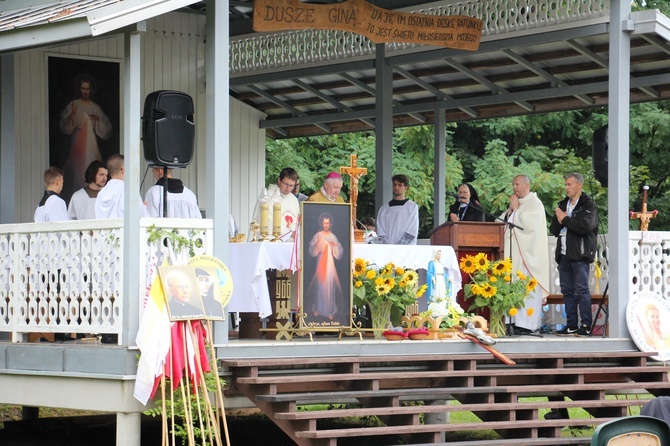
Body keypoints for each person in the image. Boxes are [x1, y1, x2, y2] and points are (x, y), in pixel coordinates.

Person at [550, 172, 598, 337]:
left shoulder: (587, 205)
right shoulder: (563, 204)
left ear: (579, 185)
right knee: (567, 290)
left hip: (579, 254)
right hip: (563, 253)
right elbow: (554, 230)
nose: (567, 188)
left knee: (582, 290)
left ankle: (585, 324)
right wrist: (559, 219)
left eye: (569, 184)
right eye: (566, 184)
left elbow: (584, 226)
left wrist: (565, 220)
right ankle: (571, 324)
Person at [501, 174, 551, 333]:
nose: (514, 187)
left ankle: (527, 325)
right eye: (513, 184)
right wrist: (511, 211)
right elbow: (502, 222)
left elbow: (529, 226)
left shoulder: (535, 204)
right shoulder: (518, 205)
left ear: (526, 186)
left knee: (527, 289)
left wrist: (515, 211)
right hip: (512, 256)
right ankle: (511, 322)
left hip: (528, 258)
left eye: (517, 184)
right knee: (511, 286)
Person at [59, 74, 112, 200]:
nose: (85, 91)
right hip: (77, 144)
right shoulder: (74, 104)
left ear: (91, 90)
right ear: (79, 89)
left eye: (88, 89)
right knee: (76, 171)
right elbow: (64, 123)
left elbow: (106, 126)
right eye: (83, 88)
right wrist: (72, 116)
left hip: (91, 144)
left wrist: (98, 120)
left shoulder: (95, 107)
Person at [307, 213, 344, 320]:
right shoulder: (318, 235)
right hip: (321, 261)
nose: (326, 225)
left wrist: (334, 246)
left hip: (330, 264)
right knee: (320, 284)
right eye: (324, 223)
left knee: (329, 285)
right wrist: (318, 244)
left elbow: (339, 251)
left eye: (328, 223)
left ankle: (329, 310)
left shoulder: (333, 236)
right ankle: (318, 308)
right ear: (322, 224)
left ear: (330, 224)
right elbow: (311, 249)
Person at [95, 154, 149, 218]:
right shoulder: (129, 189)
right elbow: (141, 215)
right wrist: (144, 208)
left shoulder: (101, 193)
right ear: (123, 170)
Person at [376, 174, 419, 245]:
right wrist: (387, 245)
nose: (396, 187)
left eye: (400, 185)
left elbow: (412, 228)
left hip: (405, 249)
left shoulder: (412, 207)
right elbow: (380, 229)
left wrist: (400, 245)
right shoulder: (384, 208)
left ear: (406, 187)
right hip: (387, 248)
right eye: (394, 184)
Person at [266, 167, 300, 238]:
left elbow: (297, 223)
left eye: (291, 186)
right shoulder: (268, 196)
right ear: (279, 180)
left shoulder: (294, 199)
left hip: (290, 244)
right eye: (285, 184)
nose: (288, 188)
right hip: (271, 241)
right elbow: (268, 223)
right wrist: (290, 233)